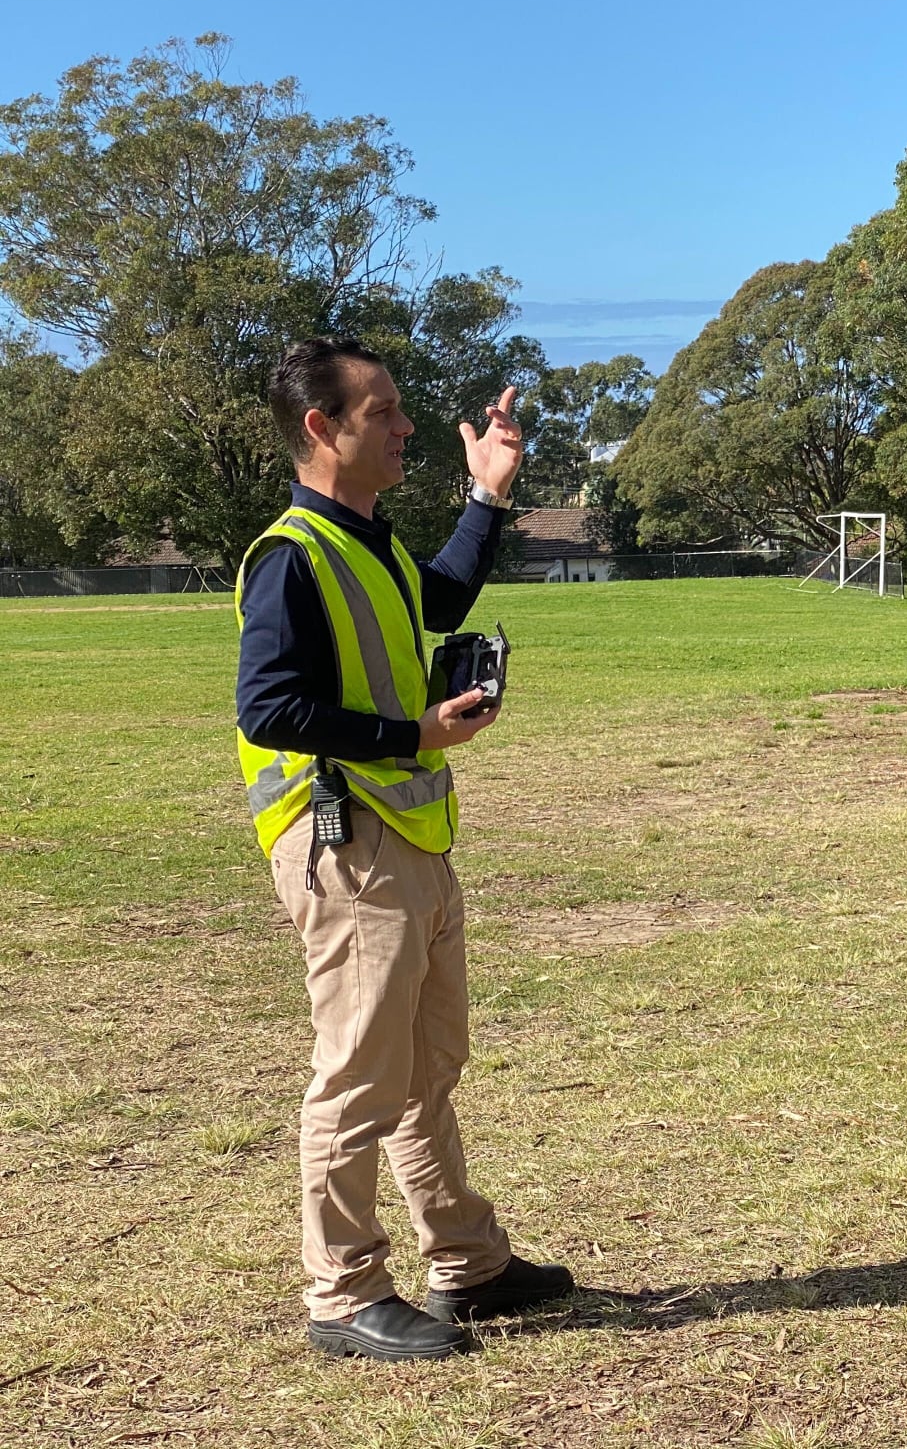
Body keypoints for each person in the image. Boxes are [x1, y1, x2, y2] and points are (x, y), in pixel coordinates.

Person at [236, 338, 573, 1362]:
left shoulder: (367, 541)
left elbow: (435, 603)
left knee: (427, 1066)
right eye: (381, 411)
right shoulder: (292, 556)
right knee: (358, 1074)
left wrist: (488, 496)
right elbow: (270, 704)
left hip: (406, 835)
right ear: (320, 428)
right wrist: (413, 735)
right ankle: (341, 1294)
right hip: (345, 844)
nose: (404, 425)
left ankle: (464, 1262)